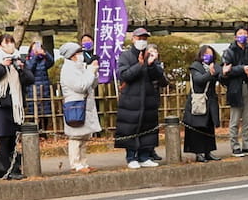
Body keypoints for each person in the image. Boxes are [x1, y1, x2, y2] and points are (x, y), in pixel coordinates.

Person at [0, 34, 34, 179]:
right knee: (4, 137)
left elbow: (30, 79)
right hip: (1, 104)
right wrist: (2, 66)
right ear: (0, 45)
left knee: (14, 138)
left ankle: (15, 168)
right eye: (6, 43)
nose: (10, 45)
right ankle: (7, 170)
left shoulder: (19, 59)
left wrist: (21, 69)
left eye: (12, 42)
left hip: (16, 105)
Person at [115, 27, 168, 168]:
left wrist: (151, 64)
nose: (142, 41)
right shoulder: (125, 56)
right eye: (139, 38)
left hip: (149, 99)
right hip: (131, 99)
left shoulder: (150, 55)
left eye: (145, 38)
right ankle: (131, 157)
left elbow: (160, 78)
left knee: (148, 128)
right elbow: (124, 75)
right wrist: (139, 65)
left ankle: (145, 156)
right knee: (130, 128)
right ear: (133, 39)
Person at [58, 41, 102, 172]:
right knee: (76, 136)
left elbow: (91, 85)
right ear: (72, 55)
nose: (82, 55)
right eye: (79, 53)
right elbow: (80, 86)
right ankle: (76, 164)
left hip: (84, 104)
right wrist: (90, 72)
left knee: (84, 136)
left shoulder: (80, 66)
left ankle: (84, 163)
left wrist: (94, 72)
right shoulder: (67, 69)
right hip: (75, 105)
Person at [221, 27, 248, 157]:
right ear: (235, 37)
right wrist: (242, 69)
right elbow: (226, 71)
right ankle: (235, 146)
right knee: (235, 120)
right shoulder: (229, 51)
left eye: (245, 33)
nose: (243, 36)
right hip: (235, 88)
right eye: (240, 34)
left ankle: (247, 145)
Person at [183, 45, 223, 162]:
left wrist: (224, 73)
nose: (208, 56)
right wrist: (210, 73)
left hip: (210, 102)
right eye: (205, 54)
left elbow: (221, 77)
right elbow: (199, 80)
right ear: (200, 55)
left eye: (210, 54)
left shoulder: (215, 66)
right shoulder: (195, 66)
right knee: (198, 128)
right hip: (198, 101)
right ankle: (199, 153)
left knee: (209, 127)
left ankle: (208, 151)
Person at [24, 40, 55, 127]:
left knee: (45, 111)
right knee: (33, 110)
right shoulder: (28, 60)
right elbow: (30, 68)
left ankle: (44, 130)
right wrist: (35, 57)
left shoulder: (44, 61)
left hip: (44, 88)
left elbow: (51, 62)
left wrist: (45, 54)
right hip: (32, 89)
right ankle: (34, 128)